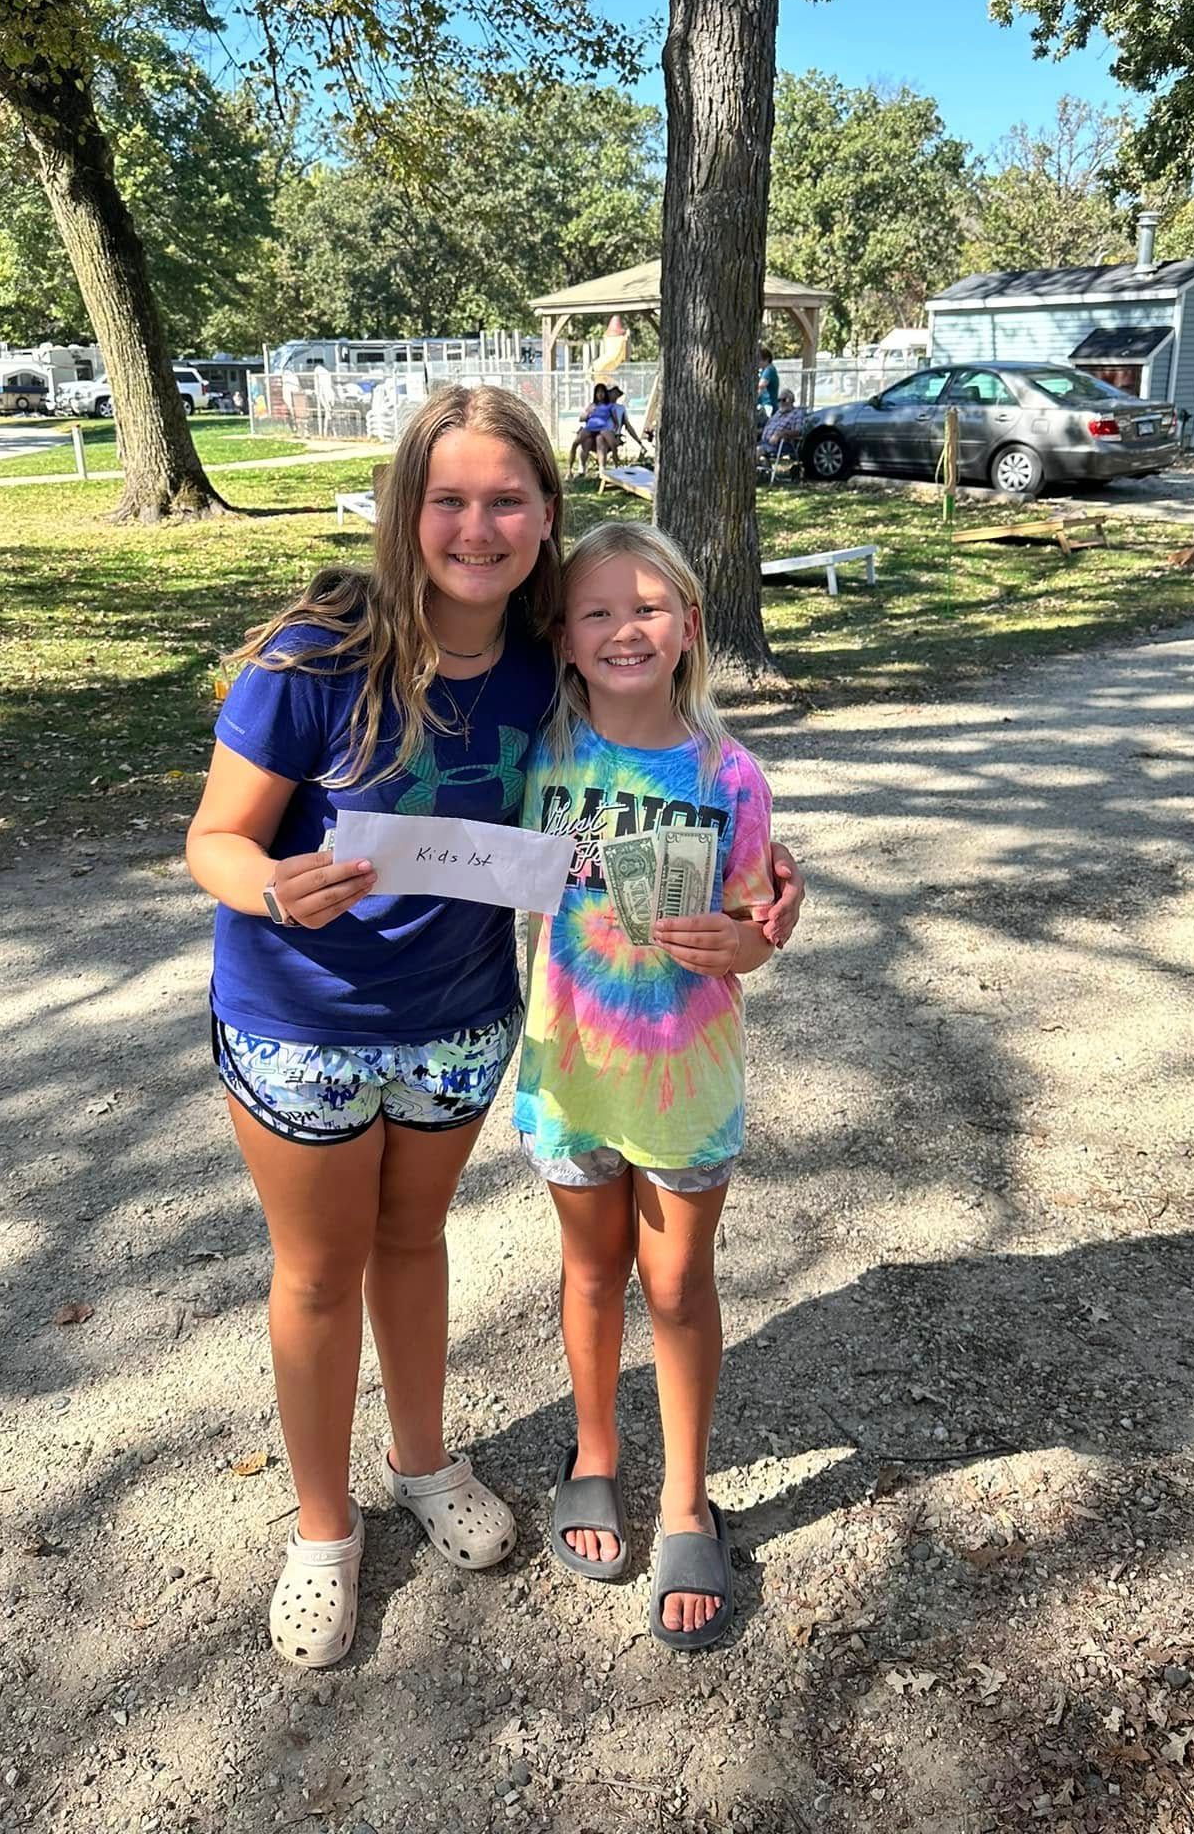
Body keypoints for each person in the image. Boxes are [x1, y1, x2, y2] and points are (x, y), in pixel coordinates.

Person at [185, 386, 805, 1670]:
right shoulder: (313, 653)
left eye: (506, 498)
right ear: (405, 507)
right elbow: (214, 839)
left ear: (545, 515)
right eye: (449, 497)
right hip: (303, 1018)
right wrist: (268, 882)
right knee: (316, 1271)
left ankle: (424, 1463)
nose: (476, 524)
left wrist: (768, 878)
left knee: (412, 1244)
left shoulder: (553, 655)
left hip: (464, 1021)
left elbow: (678, 781)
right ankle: (321, 1528)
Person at [515, 519, 775, 1651]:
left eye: (650, 608)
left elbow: (761, 920)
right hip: (572, 1074)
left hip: (685, 1083)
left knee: (675, 1287)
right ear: (564, 638)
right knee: (589, 1272)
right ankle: (595, 1450)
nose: (626, 628)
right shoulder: (538, 756)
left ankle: (684, 1495)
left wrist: (745, 942)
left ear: (691, 629)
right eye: (598, 610)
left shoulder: (731, 773)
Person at [566, 383, 613, 475]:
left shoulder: (610, 406)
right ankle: (573, 469)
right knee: (576, 443)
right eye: (598, 392)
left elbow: (615, 420)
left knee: (600, 441)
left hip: (602, 431)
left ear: (605, 394)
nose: (600, 394)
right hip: (589, 429)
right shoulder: (591, 405)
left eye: (602, 392)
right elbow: (581, 418)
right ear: (595, 394)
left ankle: (602, 470)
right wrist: (588, 413)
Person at [759, 390, 808, 477]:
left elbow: (798, 432)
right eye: (779, 400)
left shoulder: (797, 413)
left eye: (784, 399)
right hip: (764, 442)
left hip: (781, 445)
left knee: (755, 451)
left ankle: (753, 476)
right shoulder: (778, 413)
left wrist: (780, 434)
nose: (781, 402)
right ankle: (763, 471)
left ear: (792, 400)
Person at [756, 345, 781, 426]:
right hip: (762, 405)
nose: (757, 362)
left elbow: (761, 386)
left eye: (759, 360)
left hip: (768, 407)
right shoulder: (763, 370)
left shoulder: (769, 369)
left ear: (766, 359)